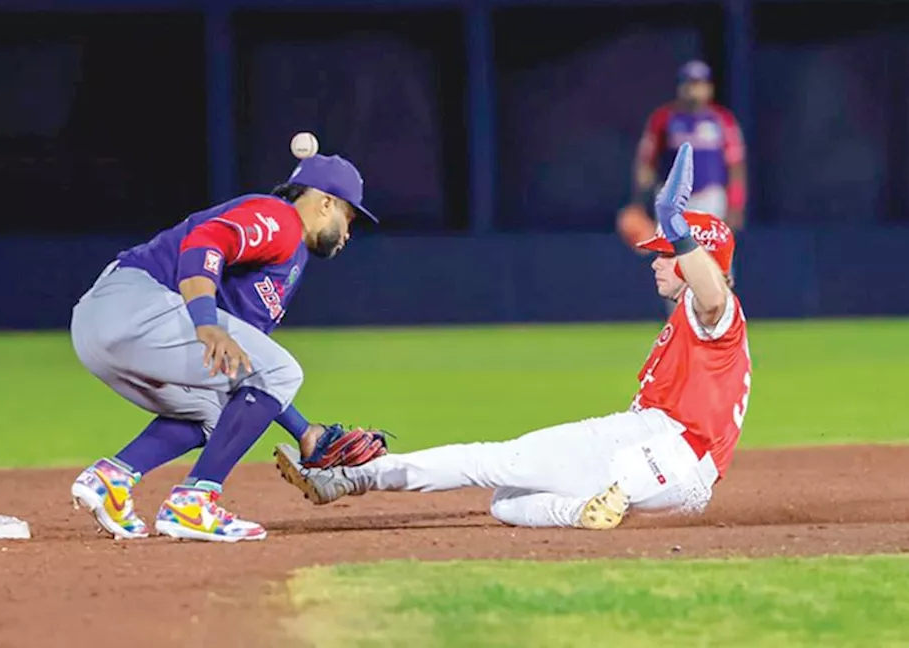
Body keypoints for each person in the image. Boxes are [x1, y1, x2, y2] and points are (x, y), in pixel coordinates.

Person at [275, 144, 752, 530]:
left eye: (666, 253)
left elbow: (714, 295)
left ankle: (347, 479)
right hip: (681, 485)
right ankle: (586, 513)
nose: (656, 261)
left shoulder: (713, 312)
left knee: (490, 462)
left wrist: (678, 227)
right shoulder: (696, 321)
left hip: (660, 448)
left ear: (696, 259)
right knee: (507, 504)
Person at [68, 153, 388, 543]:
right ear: (325, 203)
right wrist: (205, 321)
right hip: (133, 301)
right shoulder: (280, 220)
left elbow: (247, 376)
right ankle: (194, 501)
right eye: (349, 217)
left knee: (218, 411)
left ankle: (111, 479)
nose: (348, 232)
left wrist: (305, 433)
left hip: (105, 331)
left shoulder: (289, 262)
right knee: (285, 370)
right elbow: (205, 241)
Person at [619, 59, 748, 313]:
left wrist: (736, 203)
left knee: (718, 260)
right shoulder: (664, 119)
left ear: (709, 87)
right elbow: (646, 162)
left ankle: (720, 322)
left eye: (699, 84)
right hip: (674, 203)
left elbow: (735, 166)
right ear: (681, 87)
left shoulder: (722, 120)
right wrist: (639, 202)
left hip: (711, 197)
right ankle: (679, 321)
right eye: (690, 84)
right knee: (672, 263)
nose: (694, 90)